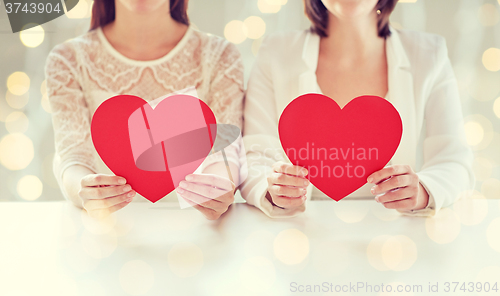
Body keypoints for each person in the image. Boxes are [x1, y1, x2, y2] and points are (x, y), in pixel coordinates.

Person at [241, 0, 474, 218]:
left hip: (398, 241)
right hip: (300, 237)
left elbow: (454, 160)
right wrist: (272, 188)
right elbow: (254, 156)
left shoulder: (429, 54)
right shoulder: (275, 52)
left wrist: (423, 190)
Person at [46, 0, 244, 219]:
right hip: (106, 230)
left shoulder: (219, 56)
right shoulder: (67, 59)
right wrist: (83, 190)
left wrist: (219, 189)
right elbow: (73, 156)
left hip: (194, 229)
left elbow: (224, 153)